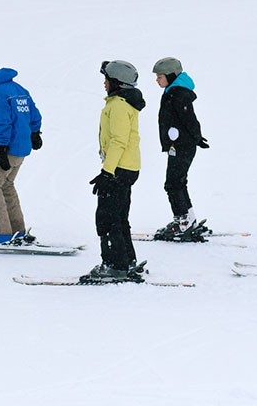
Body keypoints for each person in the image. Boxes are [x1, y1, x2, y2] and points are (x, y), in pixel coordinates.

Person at [83, 59, 147, 283]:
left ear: (117, 83)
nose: (104, 84)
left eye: (107, 80)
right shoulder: (122, 103)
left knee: (107, 217)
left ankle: (114, 265)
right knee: (119, 216)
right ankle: (126, 260)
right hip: (126, 166)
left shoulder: (119, 105)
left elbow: (119, 141)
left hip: (119, 168)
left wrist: (107, 172)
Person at [0, 60, 42, 244]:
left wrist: (1, 148)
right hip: (21, 148)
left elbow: (2, 121)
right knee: (6, 185)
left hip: (7, 148)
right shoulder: (18, 89)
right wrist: (35, 133)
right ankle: (17, 230)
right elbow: (34, 114)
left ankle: (0, 232)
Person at [151, 57, 210, 240]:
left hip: (182, 145)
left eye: (160, 76)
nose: (157, 80)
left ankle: (183, 222)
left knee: (173, 183)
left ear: (170, 75)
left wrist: (197, 138)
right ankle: (188, 219)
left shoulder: (178, 94)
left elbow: (189, 118)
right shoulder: (173, 91)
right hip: (179, 145)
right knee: (178, 182)